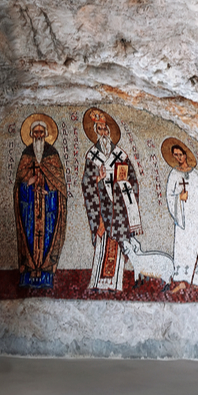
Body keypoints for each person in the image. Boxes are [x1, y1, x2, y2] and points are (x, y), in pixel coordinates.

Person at [80, 107, 142, 293]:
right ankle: (99, 283)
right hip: (101, 208)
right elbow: (86, 184)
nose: (103, 133)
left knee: (117, 243)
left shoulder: (120, 156)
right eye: (99, 129)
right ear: (95, 132)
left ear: (110, 131)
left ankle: (115, 283)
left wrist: (123, 185)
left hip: (119, 209)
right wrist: (97, 180)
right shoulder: (92, 156)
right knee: (102, 243)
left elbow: (133, 182)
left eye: (105, 129)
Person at [14, 112, 65, 291]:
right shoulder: (26, 154)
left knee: (47, 242)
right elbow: (18, 185)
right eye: (35, 132)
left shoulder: (53, 155)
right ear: (31, 134)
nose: (38, 135)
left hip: (48, 210)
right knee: (28, 239)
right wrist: (28, 183)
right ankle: (28, 274)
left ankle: (45, 275)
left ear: (46, 133)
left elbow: (60, 187)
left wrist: (49, 192)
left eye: (41, 132)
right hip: (29, 210)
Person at [161, 138, 198, 287]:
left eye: (181, 154)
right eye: (176, 155)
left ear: (186, 155)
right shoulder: (173, 175)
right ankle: (182, 281)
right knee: (182, 248)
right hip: (182, 222)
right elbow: (169, 197)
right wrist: (179, 198)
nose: (179, 158)